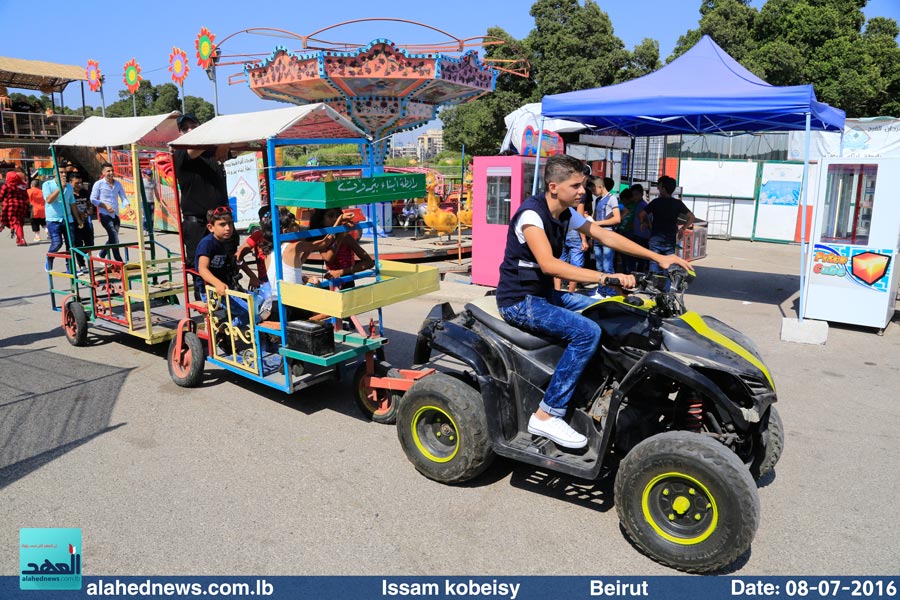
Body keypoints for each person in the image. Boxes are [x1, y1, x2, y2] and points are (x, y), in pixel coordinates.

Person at [496, 154, 691, 449]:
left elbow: (605, 236)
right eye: (576, 186)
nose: (582, 192)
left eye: (584, 185)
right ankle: (547, 414)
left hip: (545, 295)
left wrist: (659, 257)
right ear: (553, 186)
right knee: (587, 331)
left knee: (611, 312)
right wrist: (606, 277)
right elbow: (549, 265)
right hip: (519, 301)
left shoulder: (566, 213)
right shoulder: (532, 216)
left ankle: (599, 389)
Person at [173, 113, 233, 289]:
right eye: (185, 128)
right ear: (180, 134)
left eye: (194, 126)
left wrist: (225, 144)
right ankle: (205, 304)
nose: (190, 130)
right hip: (198, 224)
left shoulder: (213, 152)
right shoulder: (181, 153)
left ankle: (230, 301)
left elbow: (240, 147)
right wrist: (220, 143)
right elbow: (195, 148)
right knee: (200, 267)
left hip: (221, 220)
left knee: (227, 261)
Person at [194, 206, 250, 327]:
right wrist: (217, 283)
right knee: (249, 312)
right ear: (211, 227)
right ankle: (223, 329)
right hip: (210, 291)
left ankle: (226, 326)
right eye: (222, 224)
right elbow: (202, 269)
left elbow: (236, 261)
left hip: (226, 288)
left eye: (230, 224)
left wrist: (252, 276)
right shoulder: (207, 243)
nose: (228, 228)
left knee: (258, 303)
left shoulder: (224, 242)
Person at [639, 175, 695, 275]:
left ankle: (653, 286)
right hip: (670, 238)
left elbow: (642, 214)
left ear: (663, 188)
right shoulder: (677, 203)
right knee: (669, 264)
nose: (658, 189)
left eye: (659, 187)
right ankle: (666, 287)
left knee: (654, 262)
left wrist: (645, 223)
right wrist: (683, 228)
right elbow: (691, 217)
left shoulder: (656, 202)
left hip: (655, 237)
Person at [312, 207, 374, 290]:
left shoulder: (347, 238)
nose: (335, 219)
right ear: (321, 220)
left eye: (337, 216)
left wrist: (341, 272)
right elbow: (328, 258)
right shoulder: (322, 239)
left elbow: (369, 262)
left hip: (347, 281)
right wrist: (340, 236)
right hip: (330, 281)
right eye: (331, 216)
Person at [555, 174, 589, 293]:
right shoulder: (580, 196)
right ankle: (571, 293)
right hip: (574, 232)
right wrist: (584, 240)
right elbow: (580, 219)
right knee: (575, 266)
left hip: (563, 230)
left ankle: (557, 291)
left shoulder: (562, 193)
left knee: (559, 262)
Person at [90, 162, 129, 262]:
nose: (111, 173)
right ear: (103, 172)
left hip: (115, 215)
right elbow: (93, 199)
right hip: (105, 215)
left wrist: (128, 207)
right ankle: (119, 261)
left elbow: (123, 197)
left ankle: (101, 255)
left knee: (112, 237)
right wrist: (105, 206)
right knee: (114, 237)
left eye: (112, 170)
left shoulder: (117, 184)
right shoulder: (98, 184)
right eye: (108, 171)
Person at [43, 173, 76, 268]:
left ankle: (70, 266)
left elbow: (72, 202)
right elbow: (49, 200)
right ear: (54, 173)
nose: (64, 174)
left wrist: (77, 218)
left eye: (65, 172)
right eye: (61, 172)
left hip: (68, 218)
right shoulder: (47, 185)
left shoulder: (69, 186)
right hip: (53, 219)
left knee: (71, 244)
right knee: (57, 243)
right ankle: (50, 258)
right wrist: (60, 187)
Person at [591, 177, 621, 274]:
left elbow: (617, 219)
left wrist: (597, 223)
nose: (592, 192)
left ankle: (610, 289)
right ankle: (601, 288)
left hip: (608, 235)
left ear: (600, 186)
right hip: (596, 236)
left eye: (593, 189)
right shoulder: (598, 200)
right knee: (599, 266)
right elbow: (594, 217)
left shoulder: (612, 198)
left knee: (607, 266)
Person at [68, 173, 94, 275]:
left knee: (90, 243)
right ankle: (82, 265)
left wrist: (88, 210)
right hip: (74, 222)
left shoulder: (84, 192)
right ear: (70, 183)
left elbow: (89, 204)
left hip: (86, 221)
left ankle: (83, 257)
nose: (79, 185)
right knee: (78, 243)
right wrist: (78, 216)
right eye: (76, 183)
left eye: (80, 183)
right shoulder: (69, 193)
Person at [0, 171, 30, 246]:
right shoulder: (22, 186)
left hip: (11, 207)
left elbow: (1, 197)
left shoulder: (6, 186)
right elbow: (26, 197)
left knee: (15, 223)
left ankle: (21, 239)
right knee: (19, 222)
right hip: (21, 207)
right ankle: (19, 239)